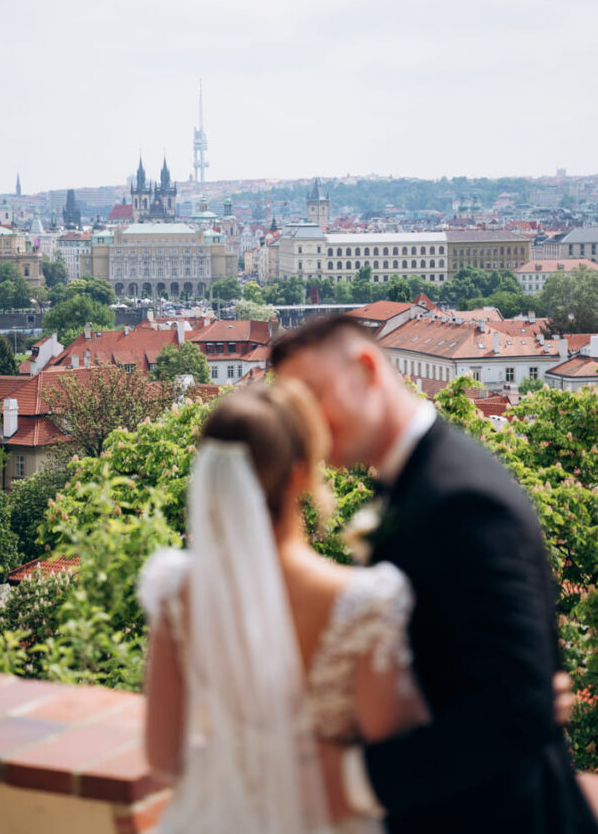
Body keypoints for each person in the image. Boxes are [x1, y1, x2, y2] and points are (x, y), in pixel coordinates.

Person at [271, 313, 598, 834]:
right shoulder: (408, 485)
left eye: (314, 395)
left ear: (365, 369)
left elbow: (515, 712)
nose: (307, 424)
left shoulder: (462, 498)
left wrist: (353, 779)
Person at [139, 381, 429, 833]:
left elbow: (163, 755)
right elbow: (398, 763)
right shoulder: (362, 602)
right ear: (299, 474)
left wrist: (241, 765)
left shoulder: (176, 589)